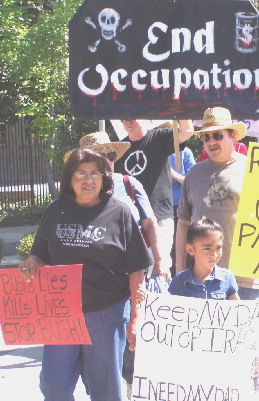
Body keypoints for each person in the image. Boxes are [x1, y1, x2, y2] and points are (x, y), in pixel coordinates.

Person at [18, 148, 152, 400]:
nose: (88, 180)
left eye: (95, 174)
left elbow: (137, 267)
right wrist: (31, 263)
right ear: (69, 178)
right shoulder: (55, 210)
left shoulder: (120, 212)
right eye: (81, 173)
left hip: (106, 313)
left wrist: (136, 316)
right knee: (54, 387)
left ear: (104, 178)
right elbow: (39, 254)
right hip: (61, 314)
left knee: (106, 390)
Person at [175, 107, 259, 300]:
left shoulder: (254, 169)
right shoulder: (193, 174)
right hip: (202, 279)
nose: (211, 142)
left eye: (217, 135)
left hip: (247, 277)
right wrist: (179, 267)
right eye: (206, 137)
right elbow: (183, 224)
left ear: (233, 136)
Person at [64, 132, 162, 277]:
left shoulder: (129, 183)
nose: (106, 161)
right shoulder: (76, 193)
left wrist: (159, 261)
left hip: (134, 268)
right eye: (99, 156)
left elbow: (149, 223)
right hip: (94, 271)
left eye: (110, 155)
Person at [114, 119, 194, 276]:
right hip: (131, 222)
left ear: (144, 117)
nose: (128, 122)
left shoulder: (159, 138)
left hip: (160, 217)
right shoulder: (120, 149)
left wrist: (181, 109)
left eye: (132, 117)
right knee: (132, 272)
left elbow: (187, 132)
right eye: (124, 119)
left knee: (159, 270)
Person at [169, 147, 196, 276]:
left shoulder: (185, 152)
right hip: (157, 207)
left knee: (179, 247)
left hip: (178, 207)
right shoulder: (153, 151)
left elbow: (193, 181)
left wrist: (173, 174)